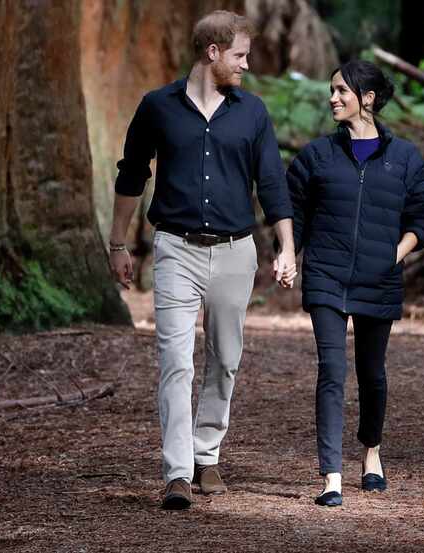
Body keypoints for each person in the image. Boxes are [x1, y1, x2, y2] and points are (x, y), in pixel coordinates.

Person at [107, 10, 296, 510]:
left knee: (225, 359)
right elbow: (131, 176)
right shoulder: (157, 108)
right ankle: (176, 473)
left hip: (236, 252)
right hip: (176, 249)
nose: (247, 65)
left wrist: (286, 246)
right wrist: (117, 243)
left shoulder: (251, 112)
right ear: (212, 53)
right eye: (240, 55)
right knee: (174, 362)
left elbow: (272, 182)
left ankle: (205, 454)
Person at [286, 60, 424, 506]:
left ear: (367, 98)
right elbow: (291, 212)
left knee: (372, 374)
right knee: (331, 372)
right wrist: (289, 253)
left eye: (341, 91)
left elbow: (420, 220)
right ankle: (331, 475)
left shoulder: (405, 158)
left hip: (379, 279)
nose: (332, 98)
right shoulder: (316, 156)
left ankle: (371, 451)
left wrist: (391, 255)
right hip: (326, 276)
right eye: (331, 90)